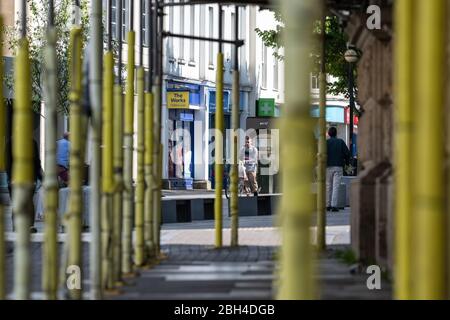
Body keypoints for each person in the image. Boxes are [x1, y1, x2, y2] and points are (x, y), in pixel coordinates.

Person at [5, 137, 44, 233]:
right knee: (21, 202)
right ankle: (19, 226)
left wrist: (41, 177)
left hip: (27, 178)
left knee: (25, 202)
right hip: (18, 178)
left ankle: (28, 226)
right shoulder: (13, 142)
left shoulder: (31, 142)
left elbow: (36, 162)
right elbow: (8, 162)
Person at [326, 126, 350, 212]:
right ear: (336, 134)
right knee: (336, 186)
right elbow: (347, 153)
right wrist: (347, 163)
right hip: (338, 166)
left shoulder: (326, 142)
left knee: (328, 185)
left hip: (327, 166)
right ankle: (334, 205)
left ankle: (327, 205)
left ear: (329, 134)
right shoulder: (341, 142)